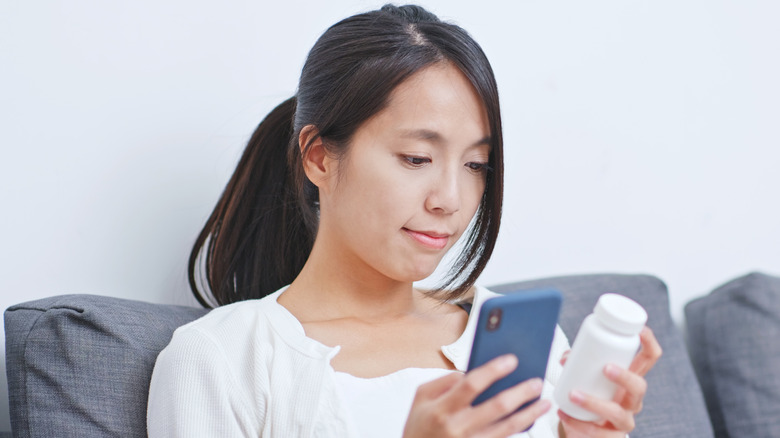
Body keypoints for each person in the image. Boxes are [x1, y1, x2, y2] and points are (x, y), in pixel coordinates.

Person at [147, 4, 661, 437]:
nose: (451, 199)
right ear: (320, 157)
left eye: (476, 165)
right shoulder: (220, 360)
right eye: (417, 159)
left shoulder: (527, 342)